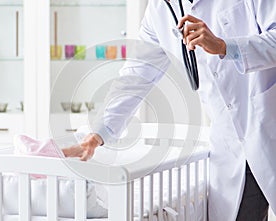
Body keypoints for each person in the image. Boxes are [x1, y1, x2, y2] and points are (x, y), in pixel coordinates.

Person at [63, 0, 276, 220]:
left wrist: (224, 46)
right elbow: (135, 76)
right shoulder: (160, 9)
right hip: (230, 146)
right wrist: (96, 136)